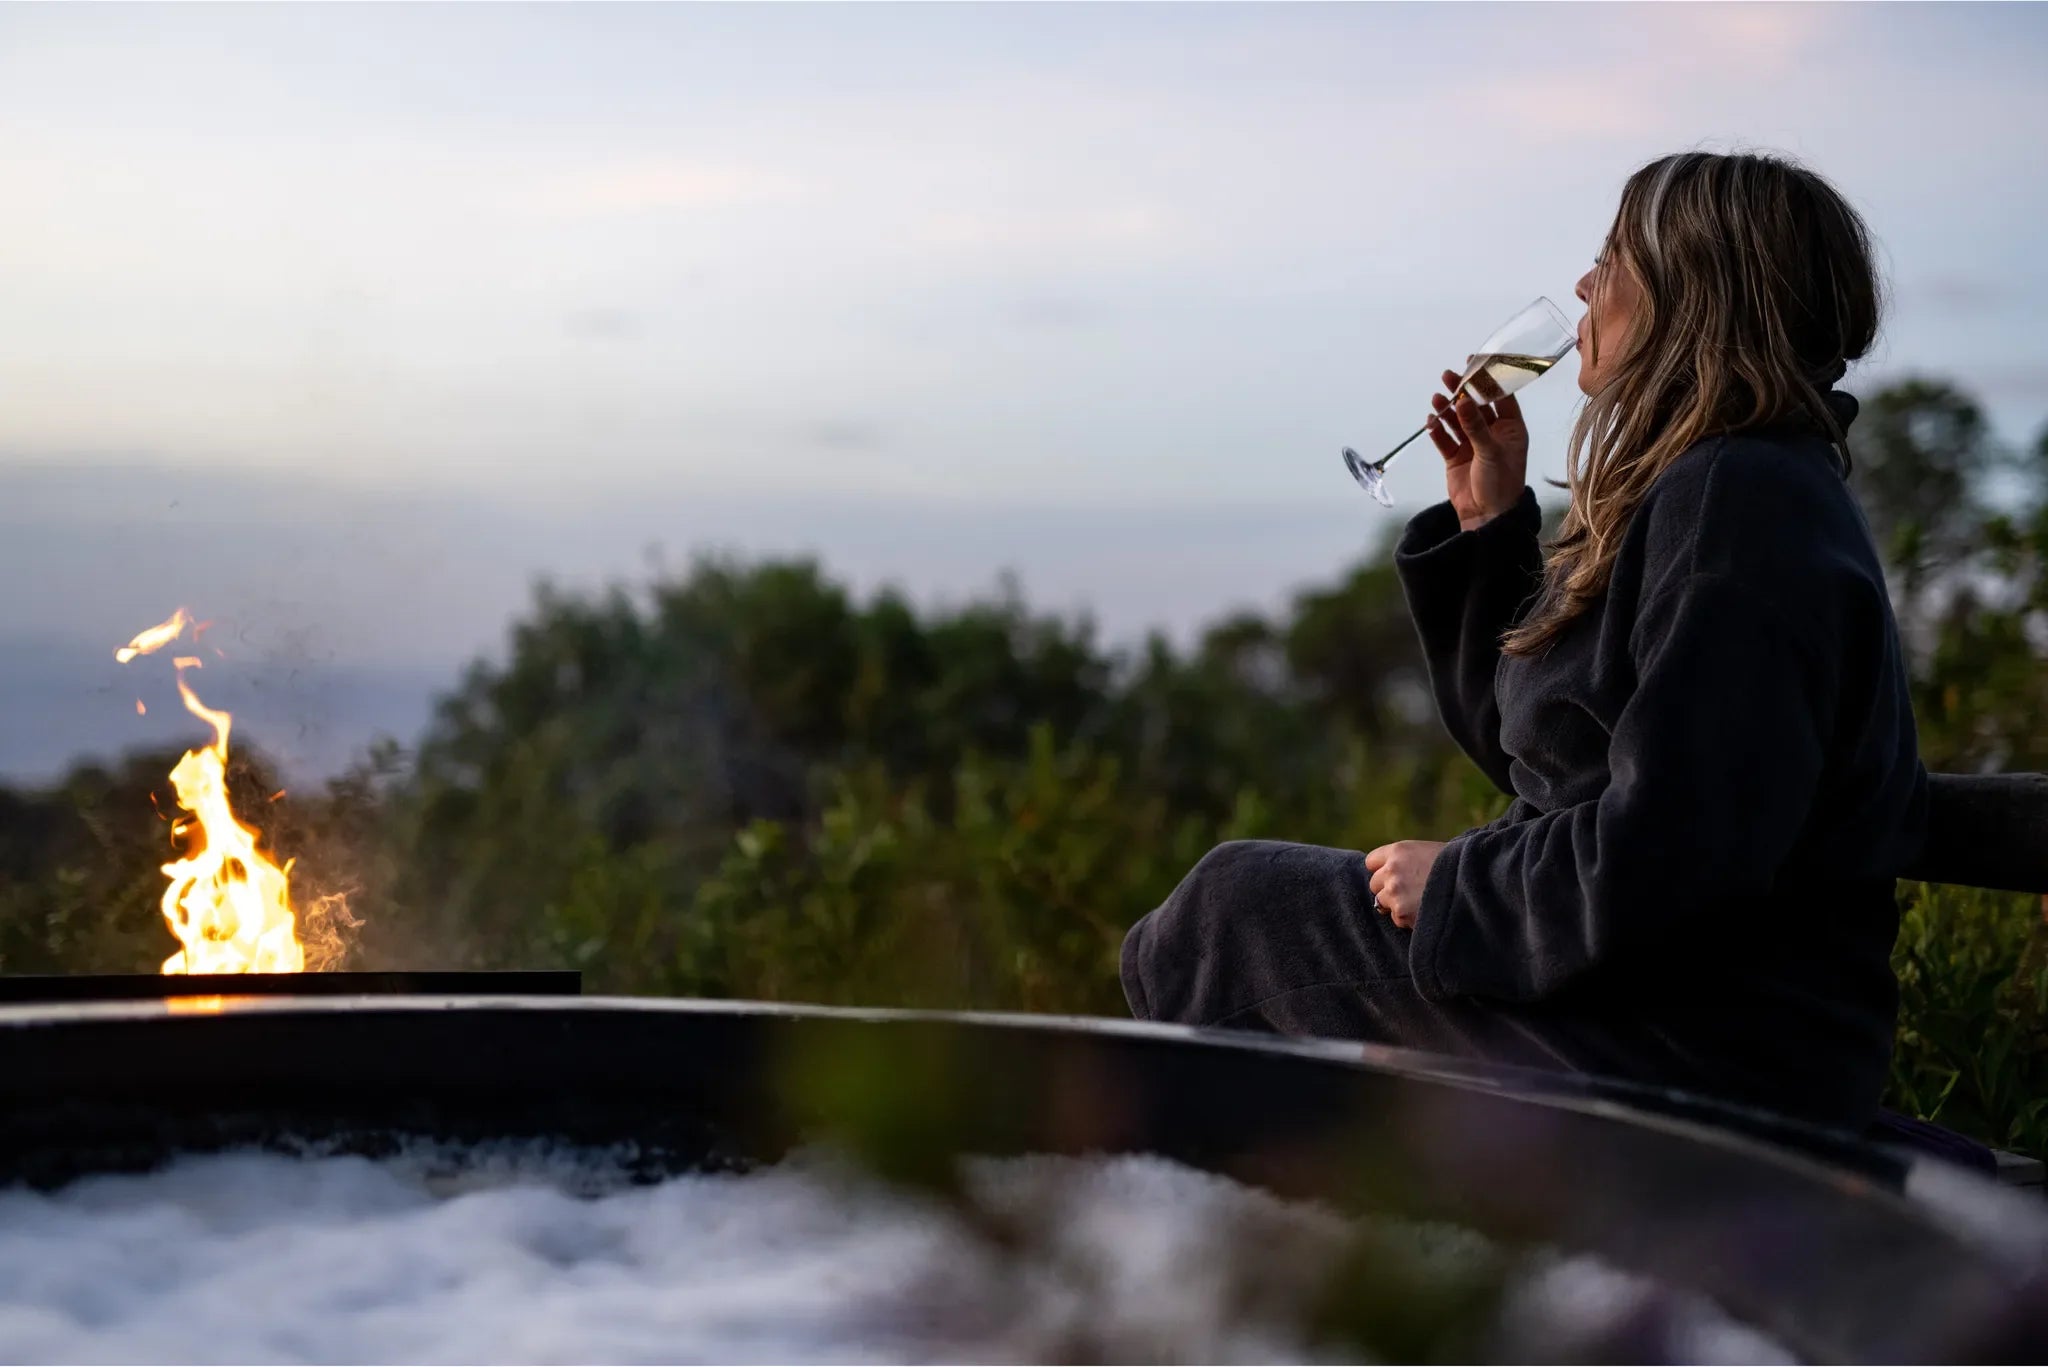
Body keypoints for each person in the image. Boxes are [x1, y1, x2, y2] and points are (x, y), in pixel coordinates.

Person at [1119, 150, 1928, 1134]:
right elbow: (1544, 752)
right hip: (1663, 1003)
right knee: (1239, 902)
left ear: (1694, 294)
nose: (1583, 286)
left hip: (1699, 1044)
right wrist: (1487, 522)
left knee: (1229, 910)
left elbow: (1680, 838)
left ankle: (1235, 1242)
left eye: (1613, 259)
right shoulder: (1724, 489)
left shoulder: (1735, 502)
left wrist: (1459, 885)